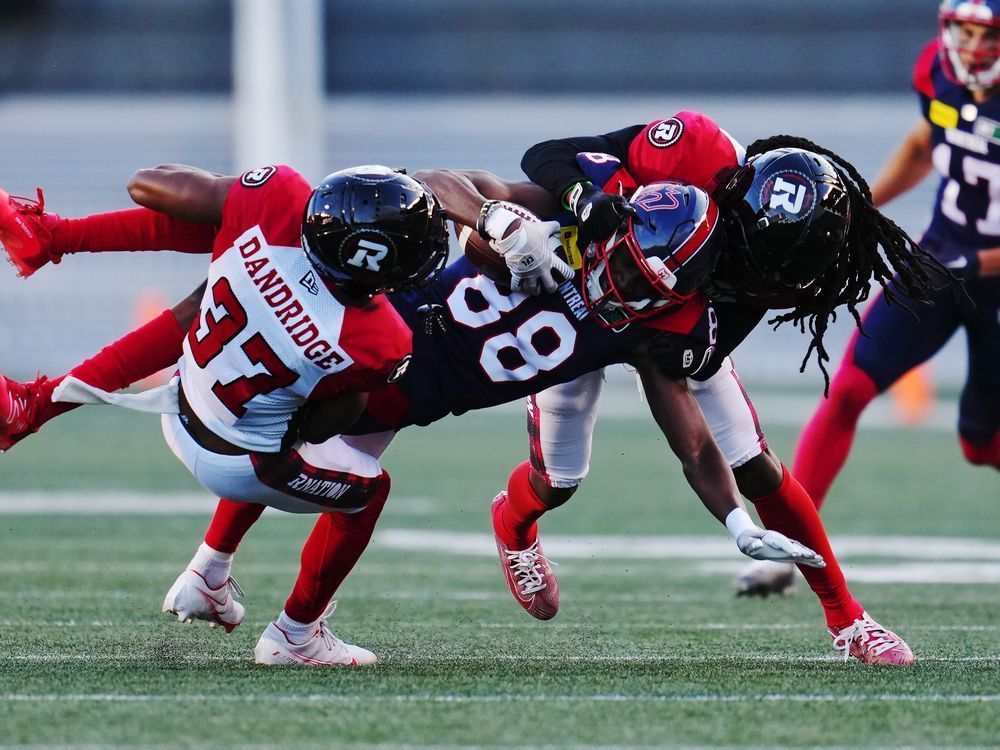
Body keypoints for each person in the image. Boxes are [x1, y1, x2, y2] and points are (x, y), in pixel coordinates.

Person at [0, 164, 828, 666]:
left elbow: (681, 417)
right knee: (328, 455)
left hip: (245, 385)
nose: (631, 285)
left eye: (654, 284)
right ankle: (292, 631)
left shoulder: (659, 326)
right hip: (366, 380)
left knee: (230, 298)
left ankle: (207, 568)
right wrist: (496, 222)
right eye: (631, 262)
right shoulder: (397, 321)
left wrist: (729, 516)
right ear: (620, 221)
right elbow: (456, 196)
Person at [485, 109, 944, 660]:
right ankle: (513, 525)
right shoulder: (694, 151)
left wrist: (692, 349)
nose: (763, 277)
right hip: (584, 302)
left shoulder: (800, 266)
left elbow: (716, 338)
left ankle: (847, 619)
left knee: (756, 465)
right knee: (557, 481)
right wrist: (586, 199)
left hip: (676, 319)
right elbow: (546, 155)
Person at [777, 0, 1000, 596]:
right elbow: (928, 143)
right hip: (944, 252)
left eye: (989, 33)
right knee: (849, 386)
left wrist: (977, 262)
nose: (974, 45)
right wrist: (863, 208)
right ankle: (790, 541)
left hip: (984, 269)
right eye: (965, 30)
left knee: (980, 445)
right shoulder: (938, 70)